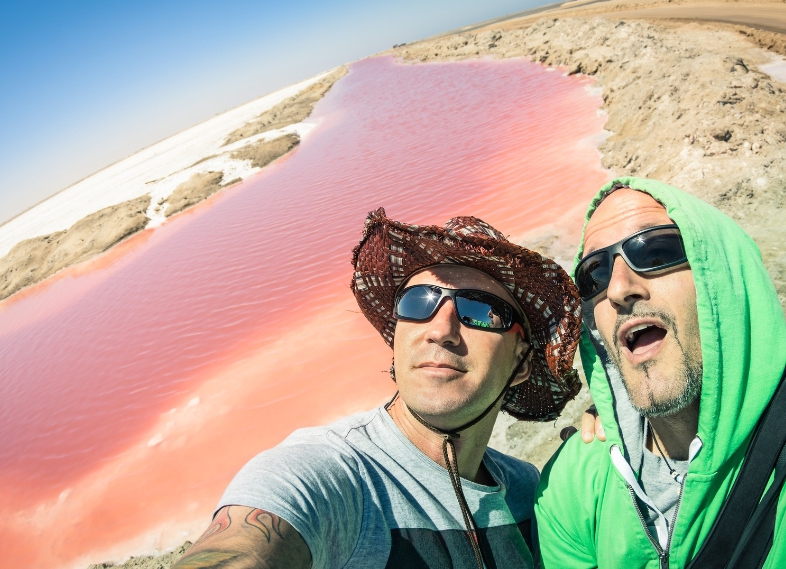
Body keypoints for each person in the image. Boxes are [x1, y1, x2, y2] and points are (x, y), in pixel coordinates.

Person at [172, 208, 582, 569]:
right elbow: (242, 547)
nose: (439, 331)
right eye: (417, 302)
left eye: (479, 310)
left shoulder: (530, 490)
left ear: (522, 363)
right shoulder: (333, 474)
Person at [535, 178, 786, 568]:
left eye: (655, 251)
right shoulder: (571, 483)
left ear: (721, 277)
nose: (618, 288)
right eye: (594, 274)